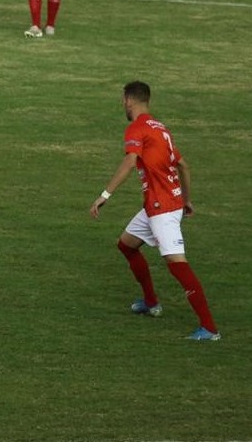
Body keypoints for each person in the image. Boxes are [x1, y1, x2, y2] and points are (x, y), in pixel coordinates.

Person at [89, 81, 221, 342]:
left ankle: (210, 328)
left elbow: (130, 161)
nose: (122, 104)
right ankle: (151, 302)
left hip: (162, 208)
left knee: (177, 265)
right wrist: (186, 199)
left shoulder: (136, 128)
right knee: (126, 245)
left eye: (122, 99)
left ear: (129, 99)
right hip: (159, 204)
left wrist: (104, 195)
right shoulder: (161, 129)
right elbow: (183, 165)